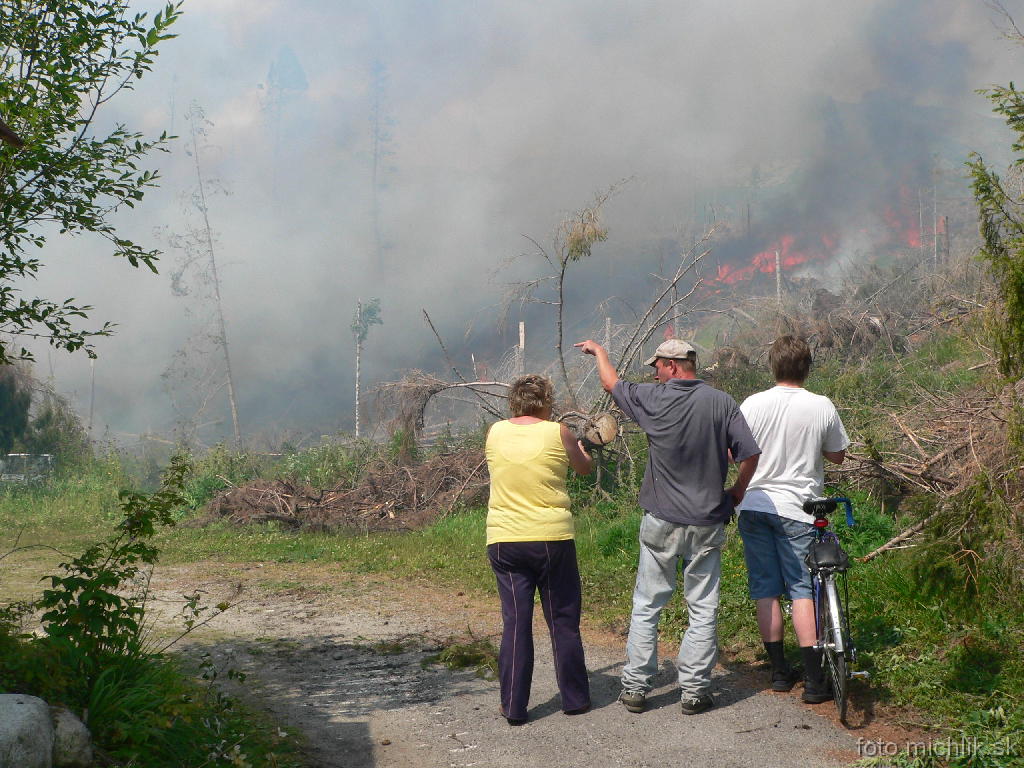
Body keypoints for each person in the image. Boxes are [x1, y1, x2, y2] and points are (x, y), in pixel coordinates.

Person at [575, 338, 760, 716]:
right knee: (703, 607)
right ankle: (694, 693)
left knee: (648, 604)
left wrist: (601, 353)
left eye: (657, 365)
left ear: (673, 365)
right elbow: (750, 453)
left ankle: (637, 688)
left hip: (660, 519)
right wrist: (736, 494)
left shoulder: (653, 399)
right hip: (707, 521)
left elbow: (611, 383)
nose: (655, 372)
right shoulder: (721, 402)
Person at [736, 335, 849, 703]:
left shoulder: (752, 404)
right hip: (798, 510)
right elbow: (837, 456)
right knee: (802, 589)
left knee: (765, 588)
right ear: (807, 366)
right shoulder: (821, 405)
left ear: (773, 365)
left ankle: (780, 672)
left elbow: (731, 451)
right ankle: (815, 682)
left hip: (754, 505)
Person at [485, 374, 594, 725]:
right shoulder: (557, 432)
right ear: (546, 401)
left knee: (515, 624)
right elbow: (583, 468)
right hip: (551, 539)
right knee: (562, 620)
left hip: (504, 540)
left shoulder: (495, 433)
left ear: (513, 402)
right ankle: (575, 699)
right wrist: (583, 448)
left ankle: (514, 706)